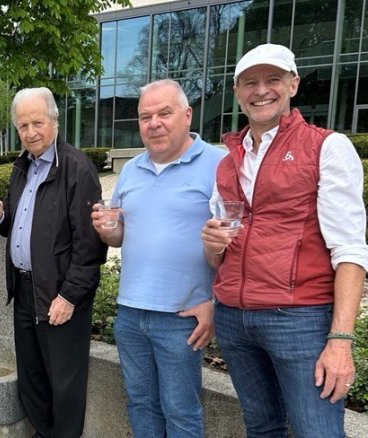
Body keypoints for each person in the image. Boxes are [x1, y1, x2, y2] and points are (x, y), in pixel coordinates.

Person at [201, 43, 368, 437]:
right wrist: (212, 246)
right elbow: (216, 260)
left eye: (273, 79)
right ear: (237, 92)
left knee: (317, 432)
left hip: (299, 319)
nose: (261, 90)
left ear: (293, 85)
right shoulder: (227, 161)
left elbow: (350, 250)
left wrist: (341, 340)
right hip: (234, 317)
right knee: (261, 428)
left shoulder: (326, 147)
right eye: (250, 82)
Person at [91, 80, 225, 437]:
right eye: (145, 116)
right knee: (140, 403)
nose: (154, 123)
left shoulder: (219, 164)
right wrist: (106, 230)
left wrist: (214, 301)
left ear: (187, 114)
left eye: (164, 113)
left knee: (181, 412)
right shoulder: (132, 169)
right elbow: (120, 235)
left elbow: (238, 241)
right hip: (130, 313)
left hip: (182, 317)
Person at [0, 87, 107, 437]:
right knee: (32, 376)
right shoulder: (22, 167)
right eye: (23, 125)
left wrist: (70, 296)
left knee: (64, 382)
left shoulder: (77, 168)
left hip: (60, 293)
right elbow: (19, 228)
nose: (31, 132)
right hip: (24, 288)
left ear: (55, 121)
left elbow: (90, 246)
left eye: (38, 122)